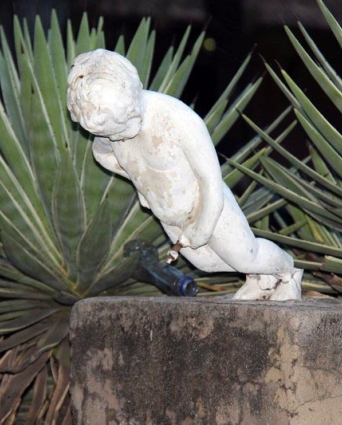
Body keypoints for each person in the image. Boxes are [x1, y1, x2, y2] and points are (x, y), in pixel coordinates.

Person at [67, 49, 302, 300]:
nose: (118, 136)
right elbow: (102, 154)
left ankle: (289, 272)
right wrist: (140, 181)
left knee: (246, 254)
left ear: (132, 99)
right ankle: (258, 278)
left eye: (123, 127)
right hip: (169, 213)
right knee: (206, 263)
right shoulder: (109, 124)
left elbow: (210, 180)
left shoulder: (178, 120)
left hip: (207, 204)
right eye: (110, 133)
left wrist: (204, 223)